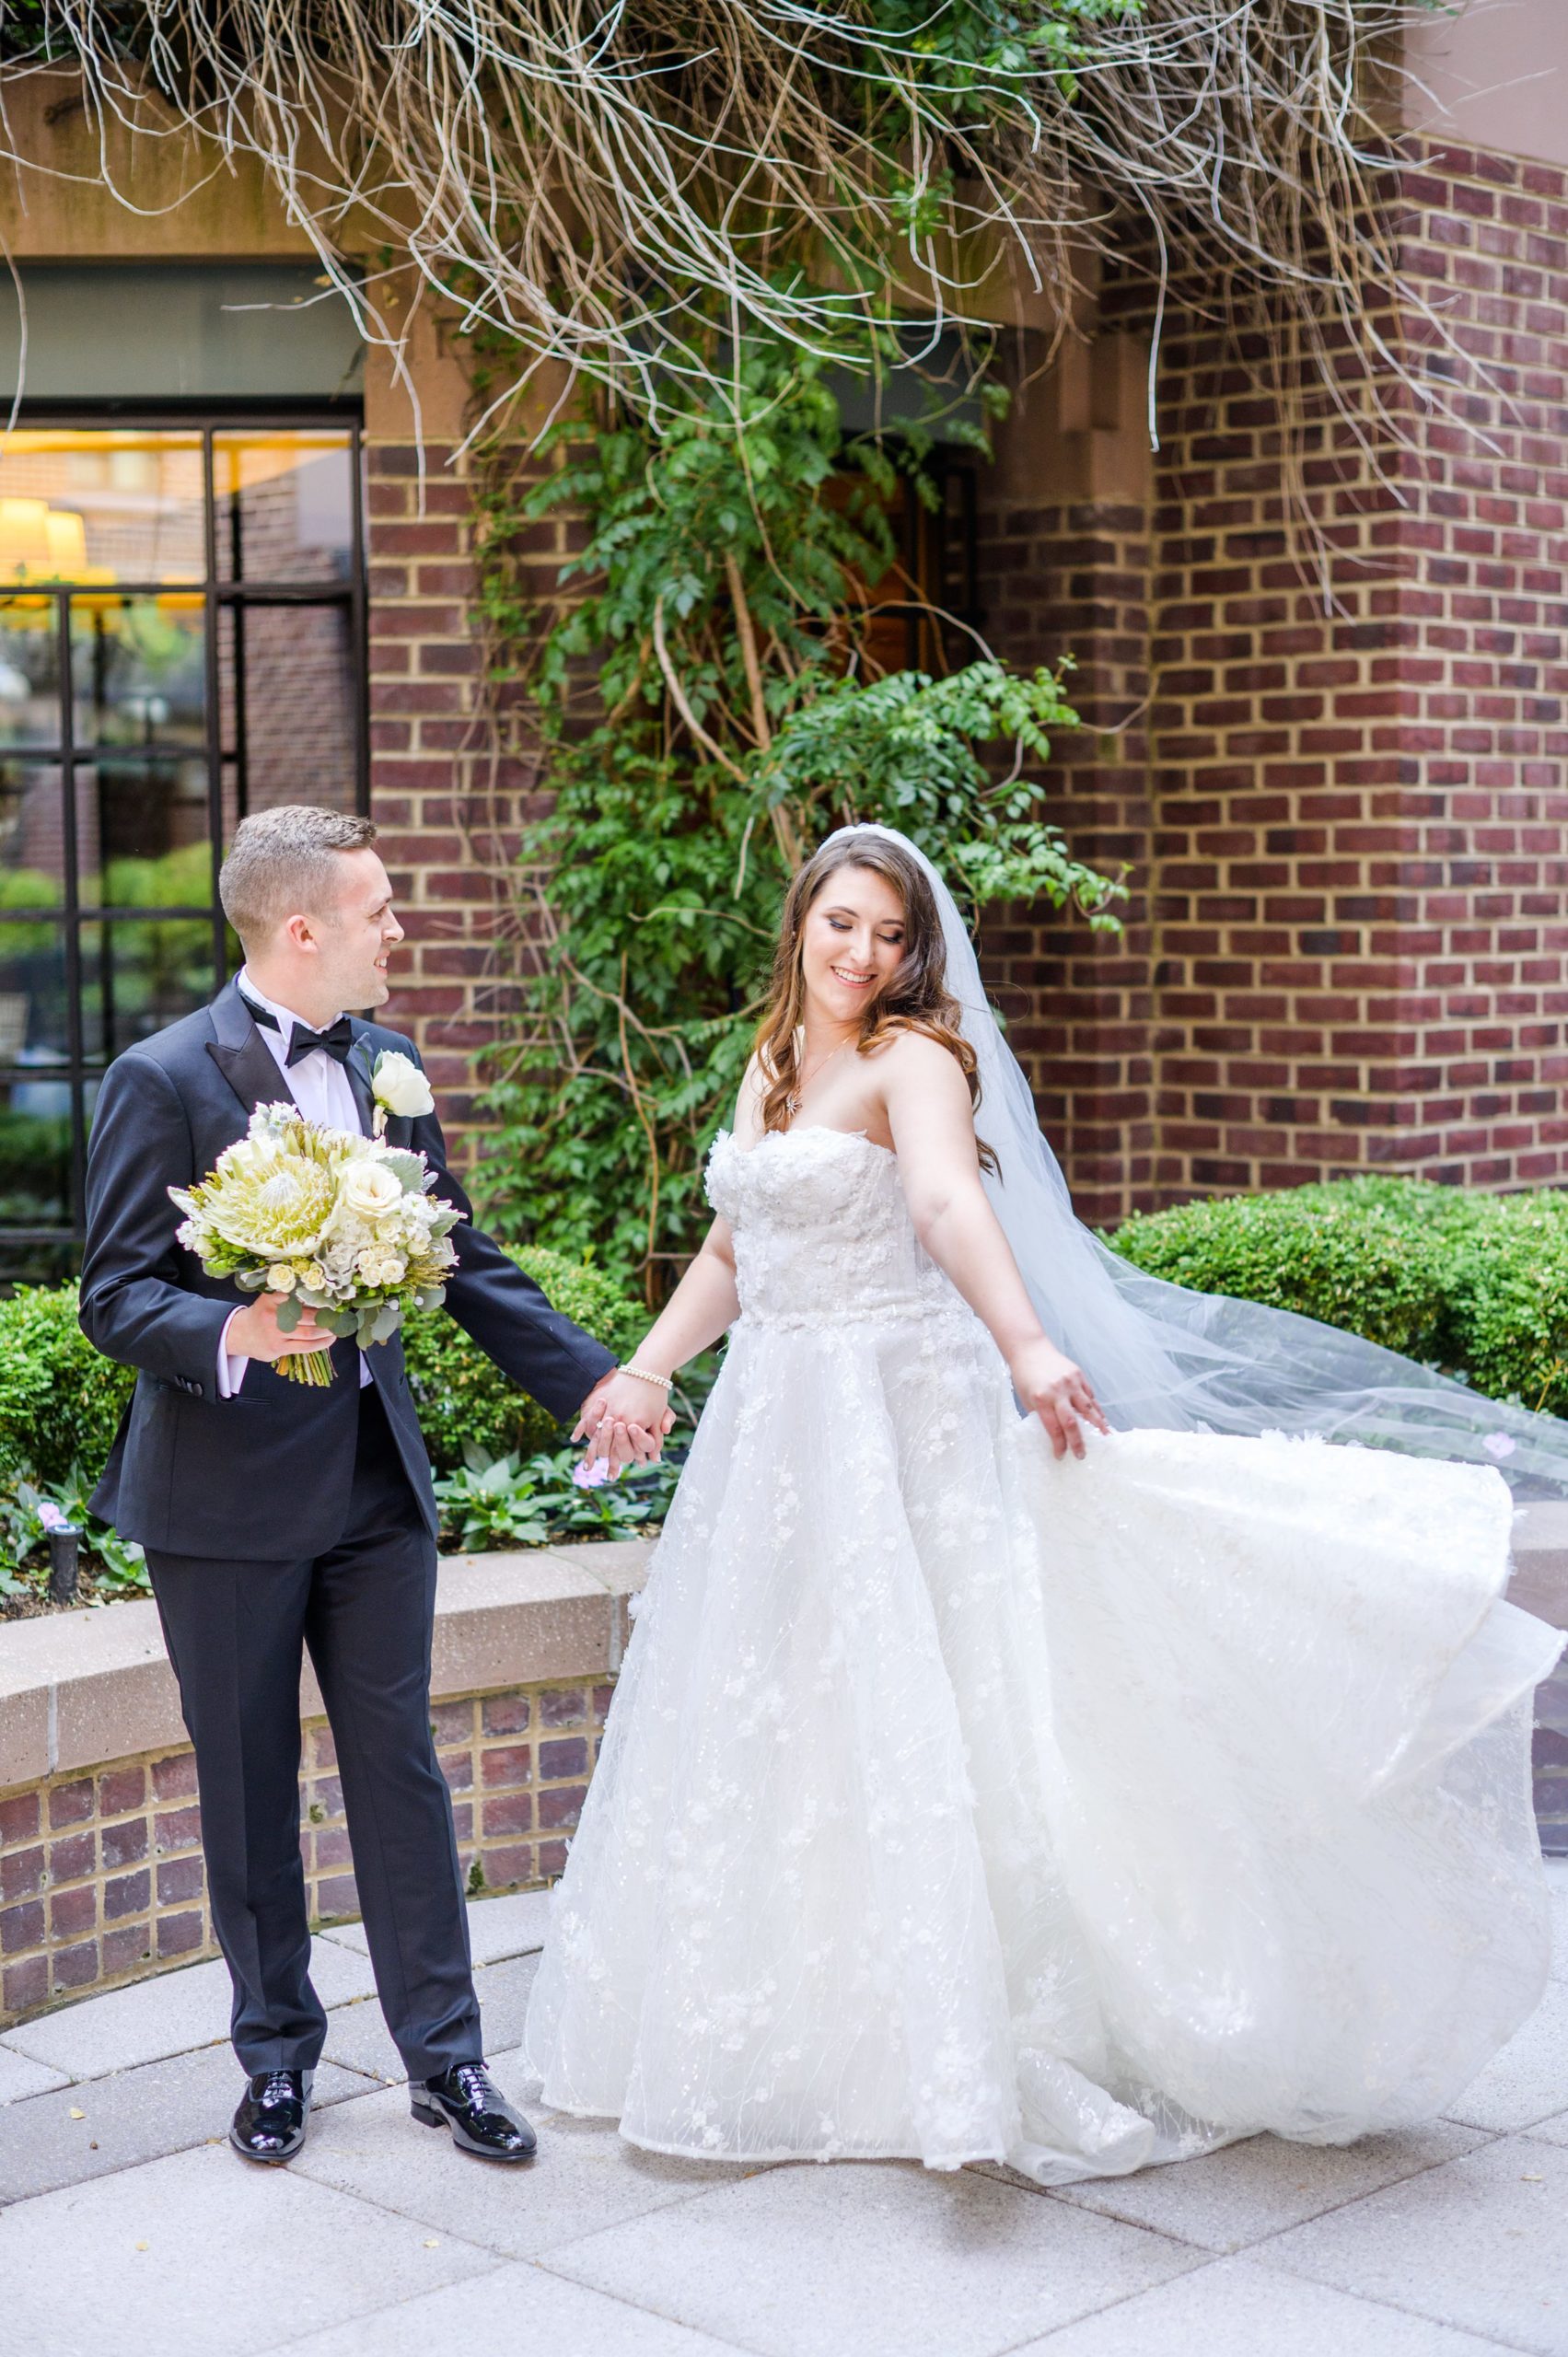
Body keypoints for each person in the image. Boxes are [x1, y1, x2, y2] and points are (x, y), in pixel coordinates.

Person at [525, 820, 1567, 2187]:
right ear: (800, 924)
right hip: (780, 1426)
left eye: (892, 937)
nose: (864, 954)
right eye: (843, 924)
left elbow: (952, 1208)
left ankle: (964, 2027)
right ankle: (801, 2011)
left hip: (892, 1412)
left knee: (935, 1694)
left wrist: (1025, 1347)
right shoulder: (774, 1059)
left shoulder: (918, 1061)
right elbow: (736, 1240)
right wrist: (650, 1371)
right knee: (789, 1697)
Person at [79, 805, 664, 2169]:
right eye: (382, 908)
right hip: (219, 1508)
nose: (401, 928)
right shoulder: (162, 1078)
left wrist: (591, 1377)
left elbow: (457, 1254)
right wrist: (232, 1329)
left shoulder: (389, 1062)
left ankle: (447, 2060)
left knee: (402, 1771)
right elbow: (113, 1293)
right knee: (247, 1781)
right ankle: (276, 2057)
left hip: (373, 1491)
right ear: (304, 929)